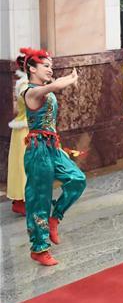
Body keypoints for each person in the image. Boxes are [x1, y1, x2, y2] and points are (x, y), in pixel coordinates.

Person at [19, 48, 86, 266]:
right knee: (39, 200)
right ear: (31, 68)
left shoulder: (44, 91)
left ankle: (55, 218)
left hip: (52, 147)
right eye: (46, 66)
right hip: (37, 151)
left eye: (51, 66)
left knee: (78, 179)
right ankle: (39, 249)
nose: (50, 69)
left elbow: (53, 88)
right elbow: (54, 86)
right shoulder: (30, 92)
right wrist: (68, 79)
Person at [6, 67, 28, 215]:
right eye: (45, 66)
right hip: (25, 131)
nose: (49, 69)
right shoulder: (25, 86)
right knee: (22, 166)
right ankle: (20, 201)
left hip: (32, 129)